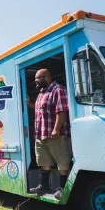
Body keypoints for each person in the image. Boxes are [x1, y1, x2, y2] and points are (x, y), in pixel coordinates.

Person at [27, 69, 72, 199]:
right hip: (41, 134)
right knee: (44, 161)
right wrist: (30, 104)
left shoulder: (58, 89)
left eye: (37, 78)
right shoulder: (41, 93)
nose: (35, 81)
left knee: (62, 161)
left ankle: (63, 188)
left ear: (46, 76)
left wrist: (56, 129)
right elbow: (39, 108)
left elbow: (62, 111)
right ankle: (44, 186)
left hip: (56, 135)